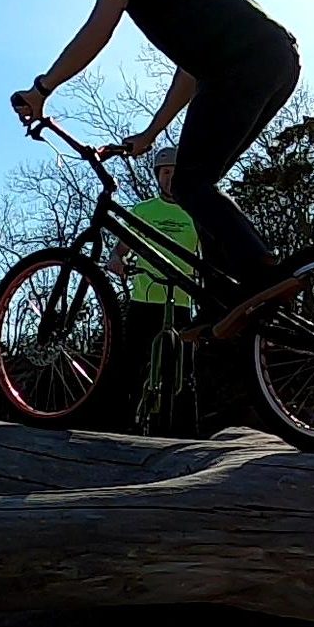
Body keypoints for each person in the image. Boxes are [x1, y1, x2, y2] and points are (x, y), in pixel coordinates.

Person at [12, 0, 301, 336]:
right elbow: (189, 72)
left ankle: (261, 274)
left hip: (242, 65)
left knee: (188, 183)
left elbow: (98, 30)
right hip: (274, 61)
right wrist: (150, 133)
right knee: (199, 184)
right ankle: (236, 292)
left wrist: (42, 88)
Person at [106, 145, 199, 433]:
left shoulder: (196, 214)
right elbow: (121, 247)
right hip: (144, 298)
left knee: (184, 374)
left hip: (181, 302)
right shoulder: (144, 210)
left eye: (175, 172)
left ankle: (185, 435)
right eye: (166, 172)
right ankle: (117, 429)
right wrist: (116, 259)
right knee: (130, 366)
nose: (171, 178)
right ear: (158, 176)